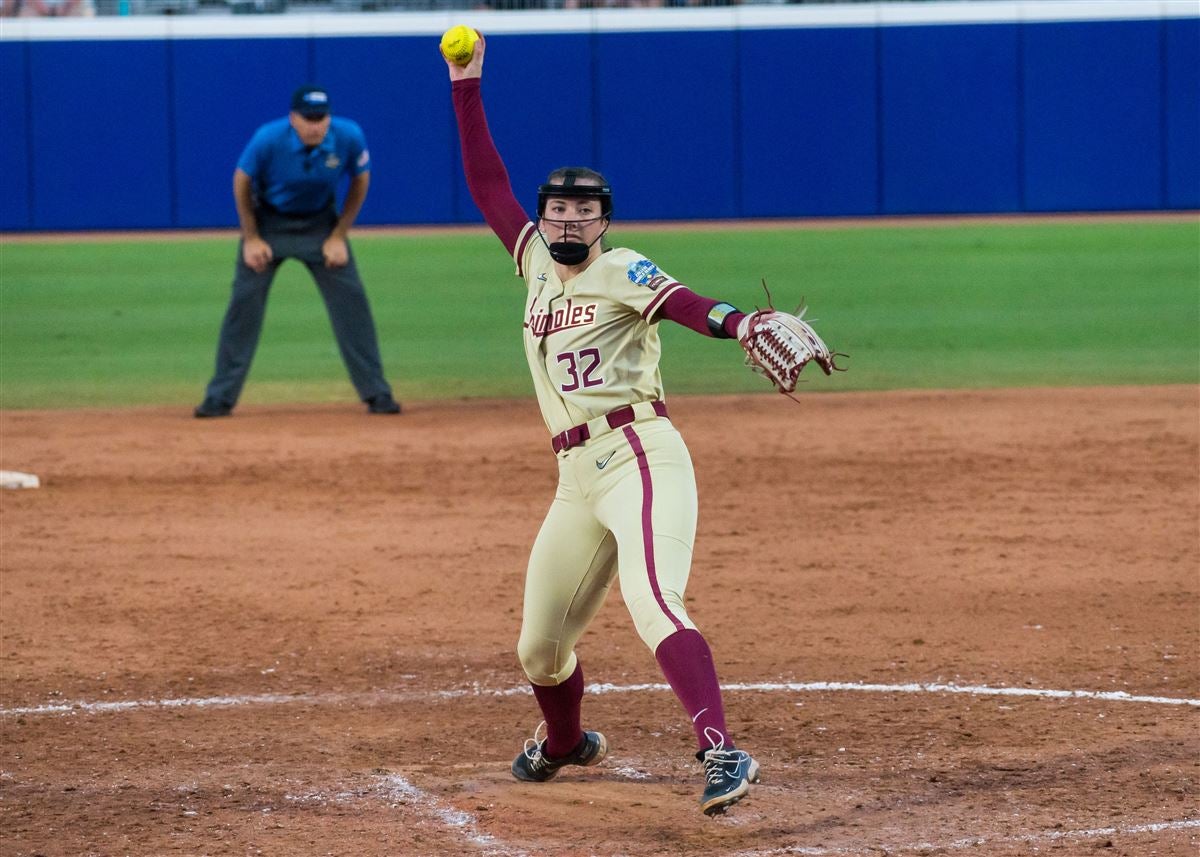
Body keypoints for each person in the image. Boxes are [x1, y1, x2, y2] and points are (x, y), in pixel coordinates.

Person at [443, 36, 762, 816]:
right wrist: (465, 82)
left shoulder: (624, 269)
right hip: (573, 478)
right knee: (540, 648)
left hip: (639, 456)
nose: (568, 219)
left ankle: (722, 749)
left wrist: (739, 322)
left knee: (653, 597)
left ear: (604, 222)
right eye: (557, 209)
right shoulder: (533, 265)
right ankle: (565, 743)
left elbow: (687, 304)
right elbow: (488, 183)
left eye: (585, 211)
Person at [194, 85, 400, 418]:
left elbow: (361, 179)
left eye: (321, 118)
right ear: (293, 119)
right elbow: (241, 180)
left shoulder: (348, 136)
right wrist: (250, 237)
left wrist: (339, 235)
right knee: (243, 305)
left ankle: (377, 392)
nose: (316, 125)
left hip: (321, 226)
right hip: (268, 226)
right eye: (308, 118)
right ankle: (219, 397)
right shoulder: (268, 139)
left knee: (352, 303)